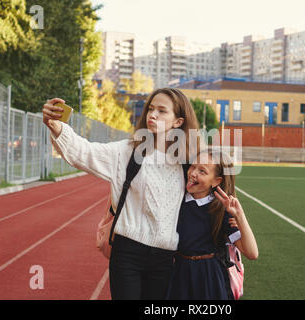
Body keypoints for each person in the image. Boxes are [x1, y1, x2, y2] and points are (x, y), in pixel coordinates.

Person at [42, 88, 199, 300]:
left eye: (162, 111)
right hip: (128, 253)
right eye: (151, 109)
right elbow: (84, 152)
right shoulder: (127, 152)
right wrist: (57, 126)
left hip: (166, 258)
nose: (152, 115)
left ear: (178, 122)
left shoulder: (188, 164)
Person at [166, 149, 258, 300]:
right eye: (193, 166)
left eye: (202, 171)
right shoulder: (177, 200)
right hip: (179, 273)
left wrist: (240, 218)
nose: (193, 173)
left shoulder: (221, 209)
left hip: (209, 276)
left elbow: (252, 253)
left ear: (216, 181)